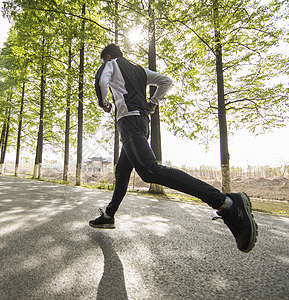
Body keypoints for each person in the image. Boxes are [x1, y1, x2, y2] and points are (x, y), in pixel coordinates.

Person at [89, 44, 258, 253]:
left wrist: (103, 102)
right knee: (122, 172)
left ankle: (227, 203)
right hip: (142, 123)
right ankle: (109, 215)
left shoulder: (111, 63)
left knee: (150, 171)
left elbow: (101, 81)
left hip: (129, 123)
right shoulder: (139, 70)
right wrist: (153, 103)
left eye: (104, 60)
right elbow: (165, 81)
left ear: (107, 56)